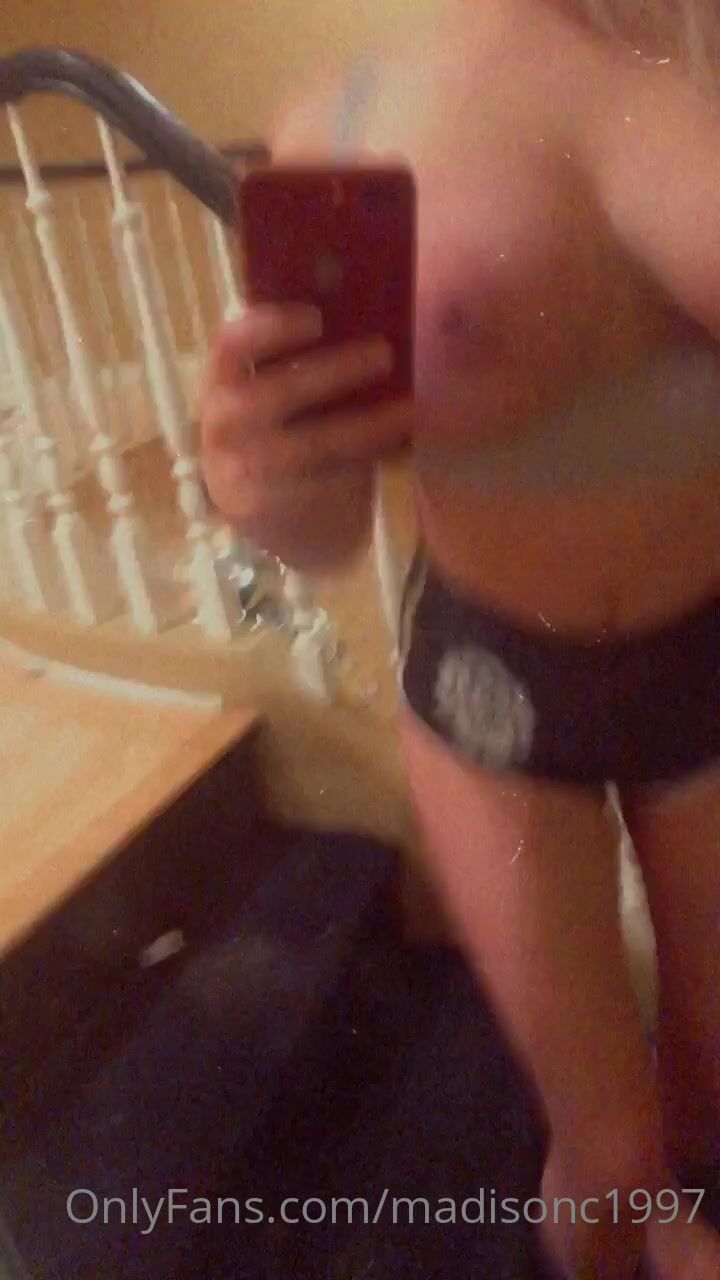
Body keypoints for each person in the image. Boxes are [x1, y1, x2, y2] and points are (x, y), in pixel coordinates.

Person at [200, 1, 720, 1274]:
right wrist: (254, 483)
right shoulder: (340, 125)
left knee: (712, 1097)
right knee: (608, 1152)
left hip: (709, 666)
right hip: (497, 694)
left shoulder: (684, 88)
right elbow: (325, 534)